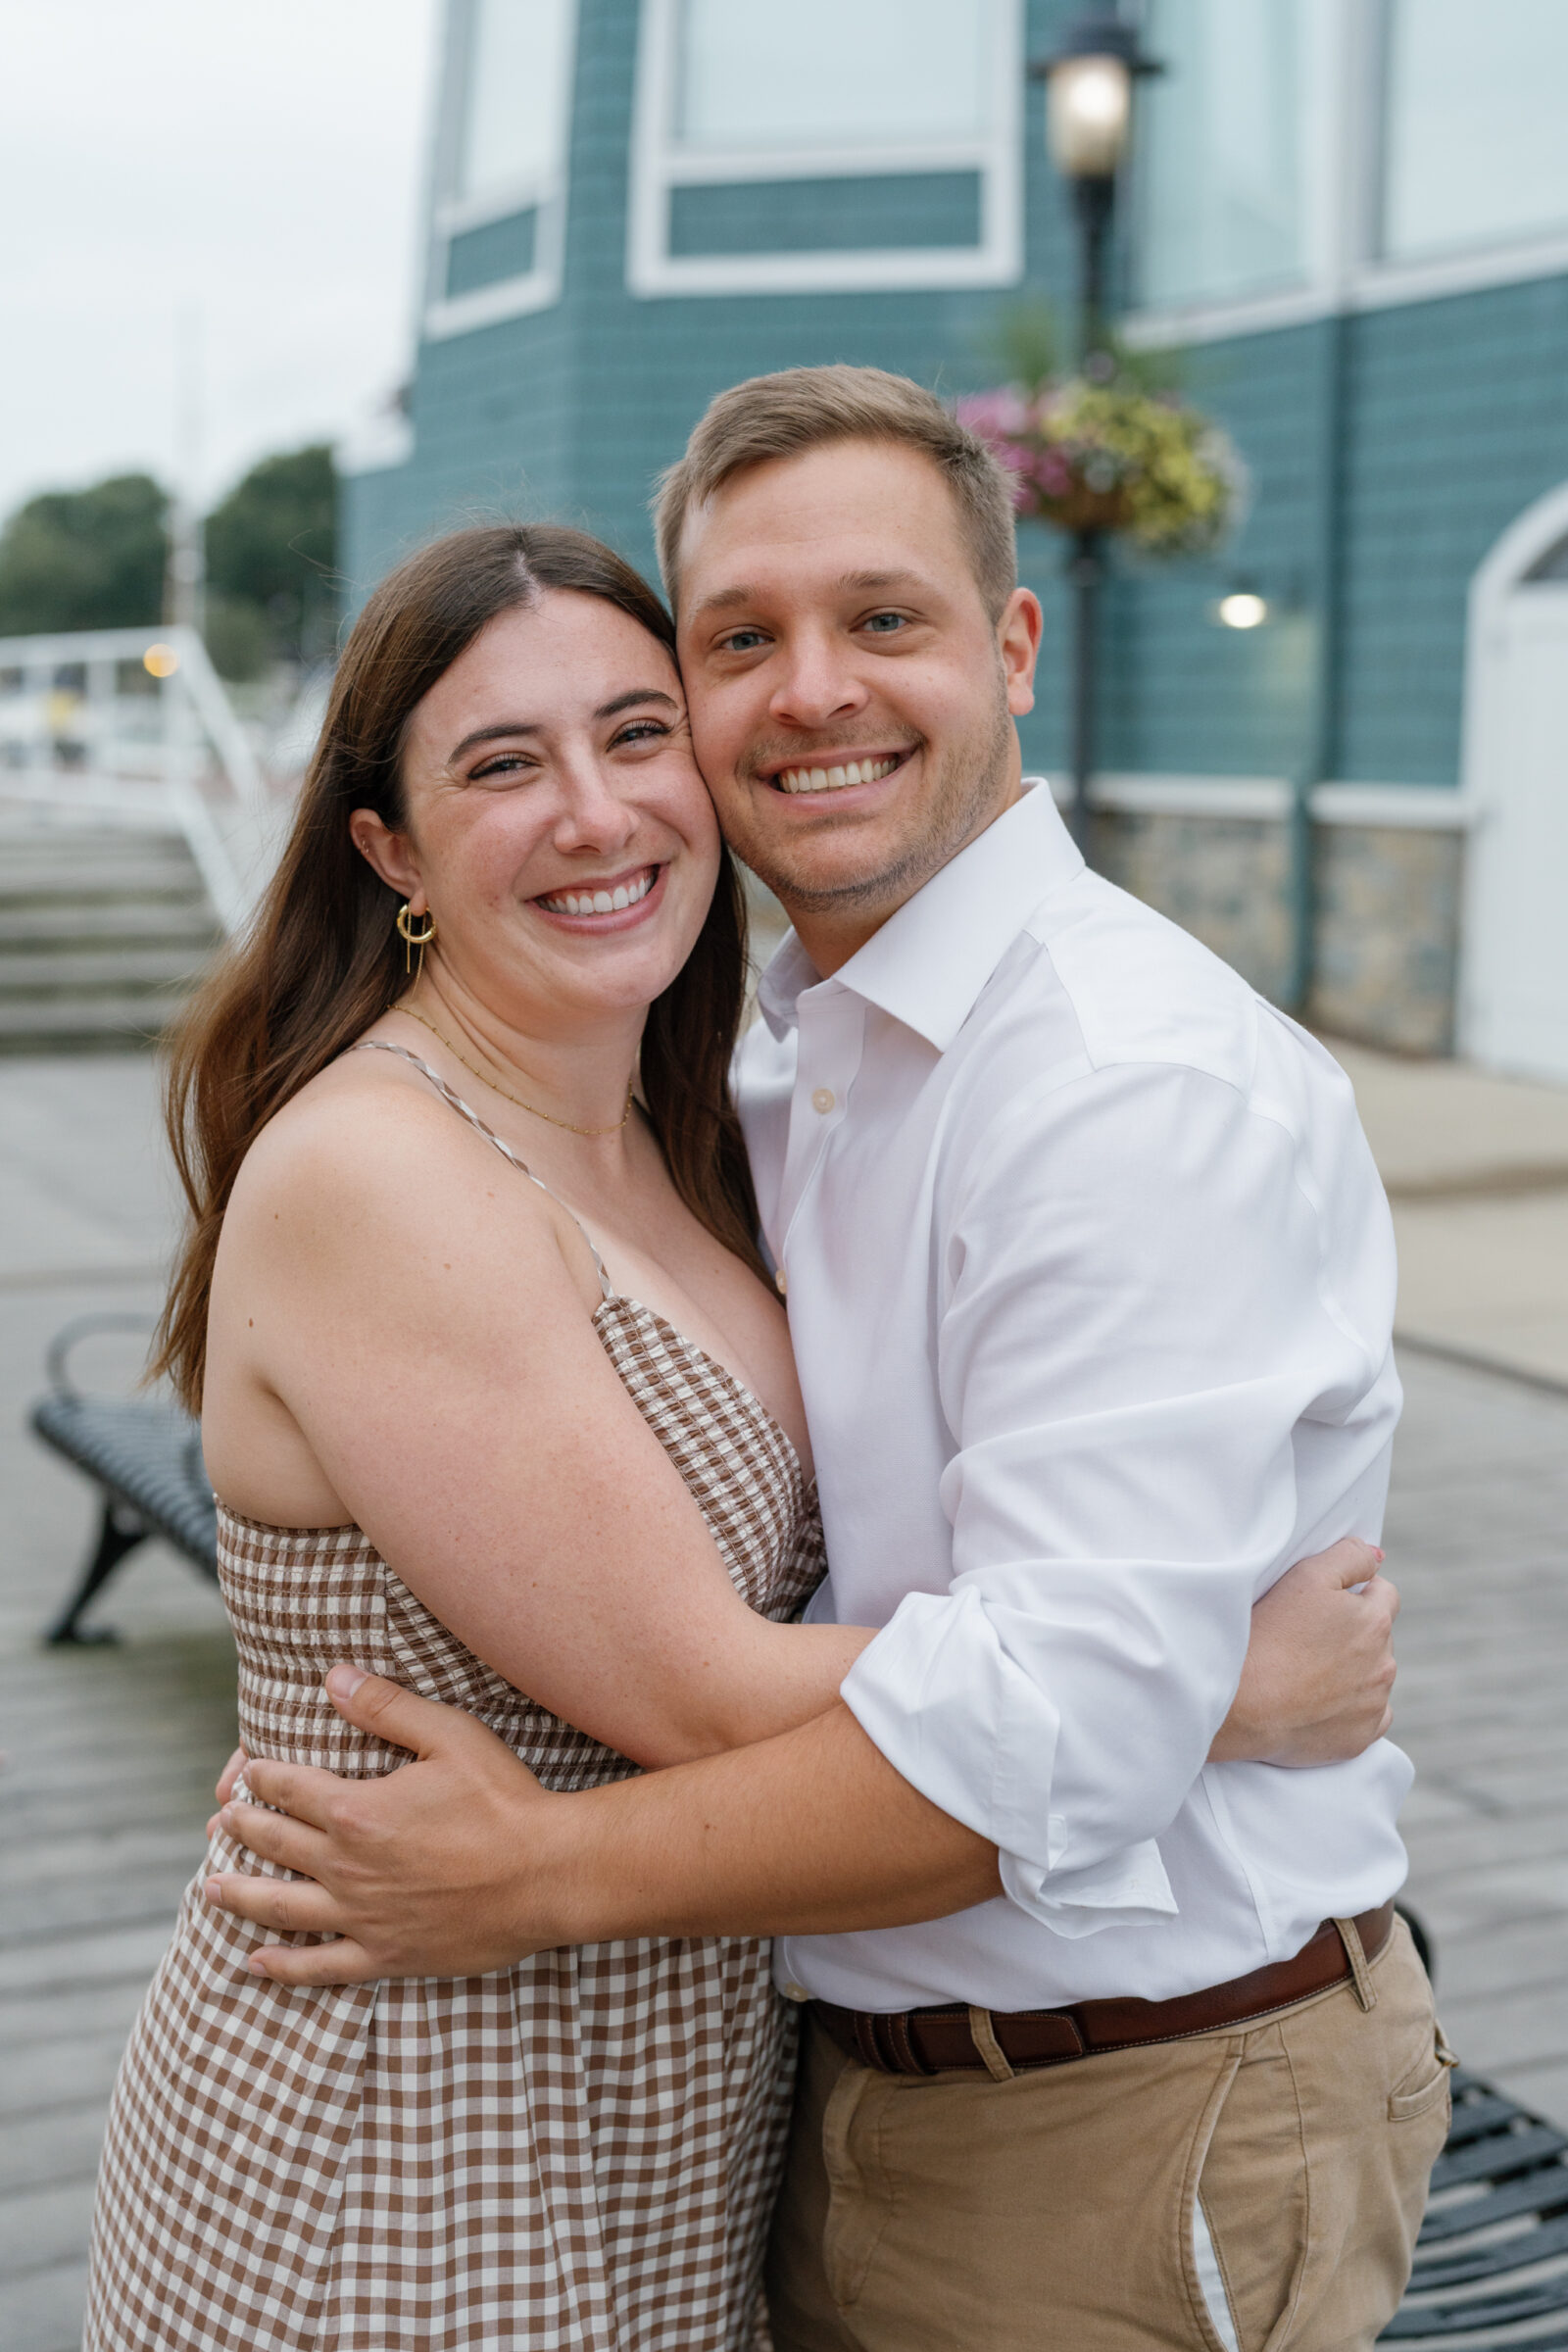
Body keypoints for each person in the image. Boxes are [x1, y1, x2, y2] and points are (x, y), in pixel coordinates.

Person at [205, 368, 1446, 2352]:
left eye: (881, 620)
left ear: (1010, 646)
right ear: (392, 850)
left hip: (1120, 2105)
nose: (807, 694)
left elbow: (1050, 1707)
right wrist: (1204, 1683)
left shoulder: (1112, 1086)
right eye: (735, 644)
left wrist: (542, 1878)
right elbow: (918, 1672)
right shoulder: (771, 1073)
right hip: (684, 2096)